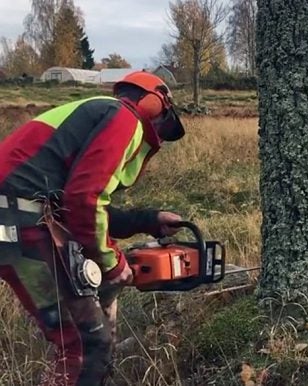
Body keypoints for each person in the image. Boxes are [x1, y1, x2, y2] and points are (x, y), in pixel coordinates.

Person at [0, 71, 186, 385]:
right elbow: (85, 199)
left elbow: (76, 204)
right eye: (163, 126)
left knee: (74, 338)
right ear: (154, 104)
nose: (159, 138)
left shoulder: (98, 111)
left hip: (16, 220)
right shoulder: (123, 117)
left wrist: (147, 221)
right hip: (21, 222)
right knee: (86, 345)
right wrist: (112, 264)